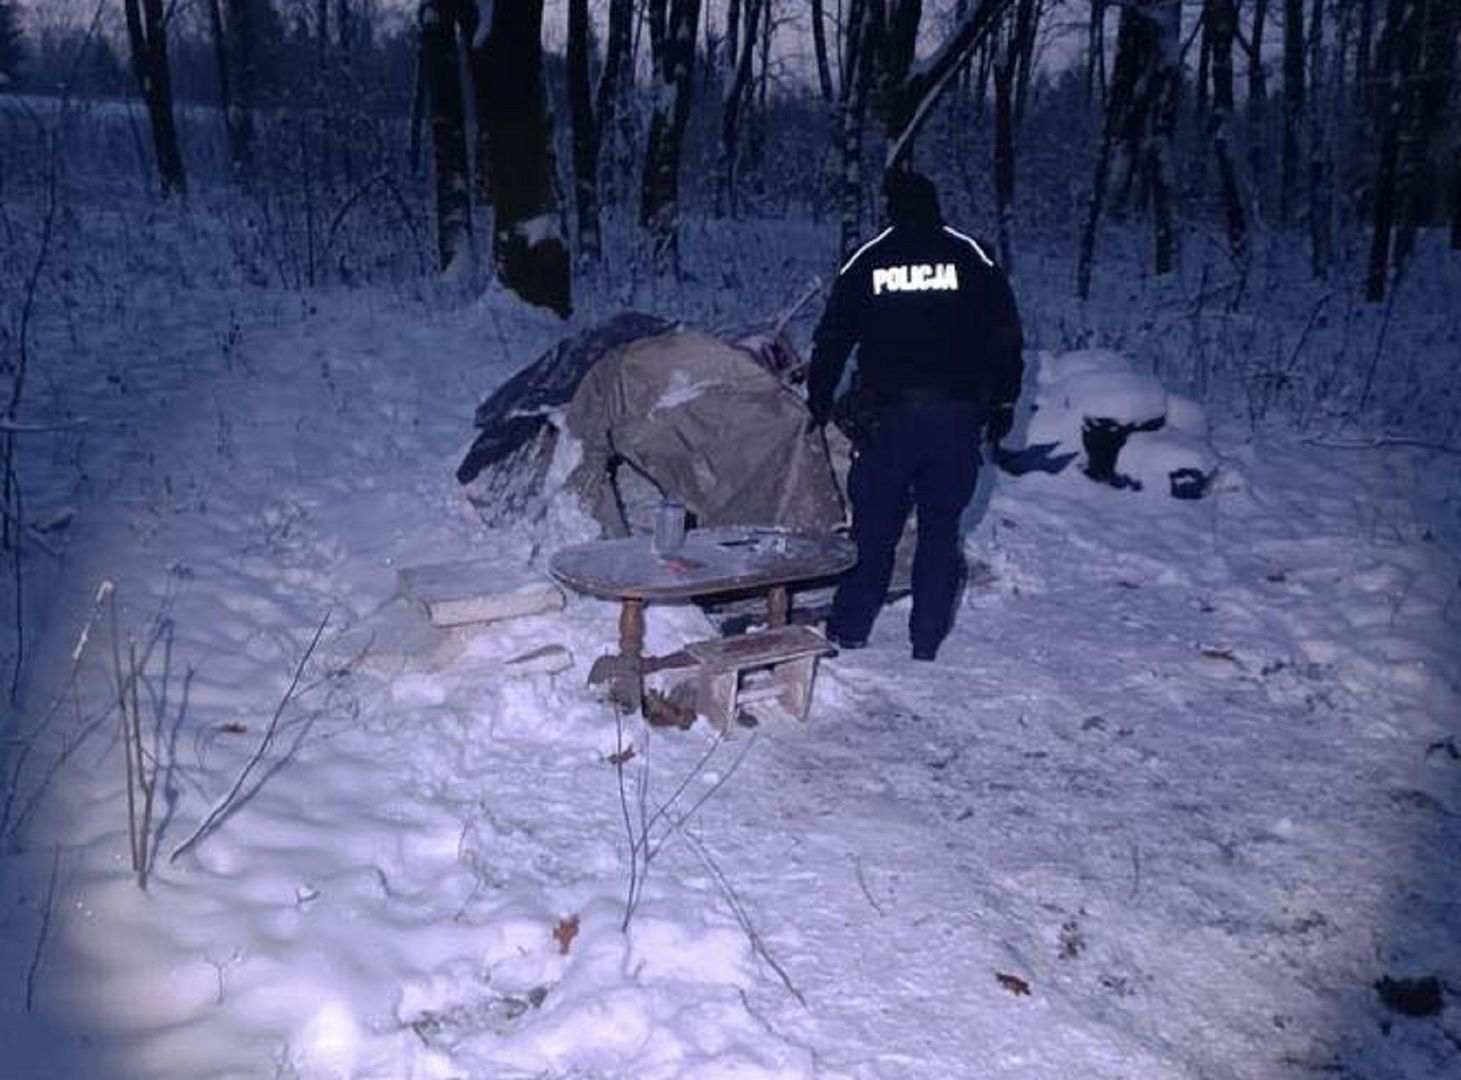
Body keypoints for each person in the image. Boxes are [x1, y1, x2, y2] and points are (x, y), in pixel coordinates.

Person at [806, 170, 1023, 661]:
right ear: (935, 206)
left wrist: (819, 395)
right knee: (940, 529)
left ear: (890, 209)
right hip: (956, 416)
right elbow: (1005, 336)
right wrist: (1004, 400)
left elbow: (834, 335)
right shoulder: (972, 256)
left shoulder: (869, 259)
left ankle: (848, 629)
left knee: (873, 529)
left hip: (889, 419)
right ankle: (926, 639)